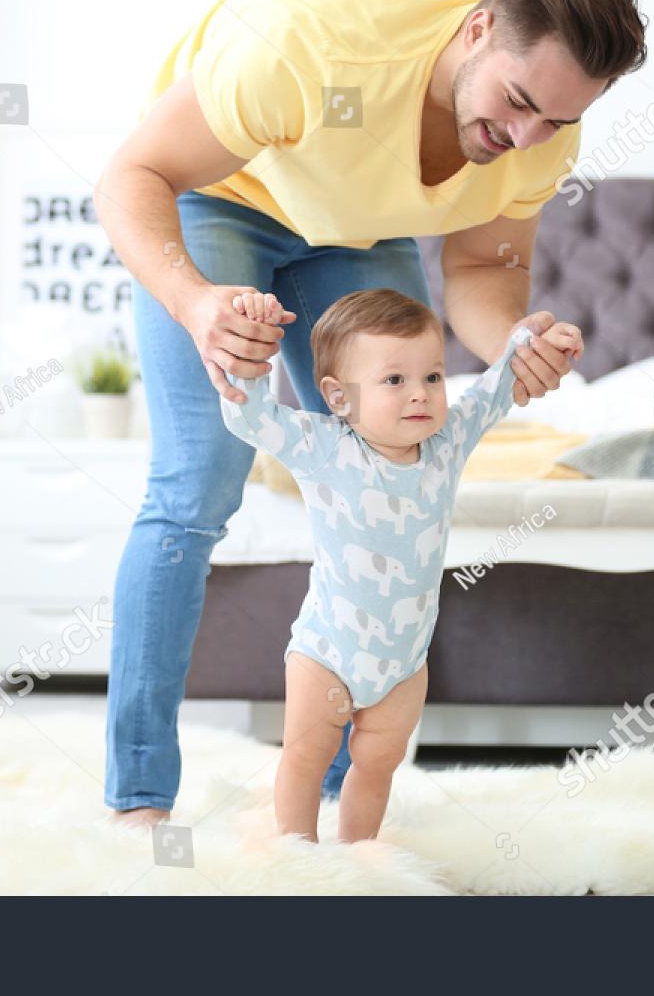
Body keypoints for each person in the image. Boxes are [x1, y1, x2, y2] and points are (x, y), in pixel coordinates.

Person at [95, 0, 647, 828]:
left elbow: (479, 267)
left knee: (391, 463)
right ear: (478, 31)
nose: (528, 139)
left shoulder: (547, 126)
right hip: (220, 193)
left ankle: (338, 791)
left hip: (355, 229)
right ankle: (138, 794)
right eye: (518, 104)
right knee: (199, 479)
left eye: (557, 123)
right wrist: (197, 304)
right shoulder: (307, 47)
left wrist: (514, 341)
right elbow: (133, 173)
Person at [221, 288, 582, 841]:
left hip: (405, 662)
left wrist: (533, 343)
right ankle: (299, 858)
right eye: (395, 380)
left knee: (378, 763)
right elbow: (252, 417)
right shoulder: (324, 448)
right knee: (305, 758)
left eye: (433, 377)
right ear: (338, 398)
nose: (421, 394)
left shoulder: (448, 443)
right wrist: (252, 351)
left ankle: (359, 853)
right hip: (329, 652)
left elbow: (495, 390)